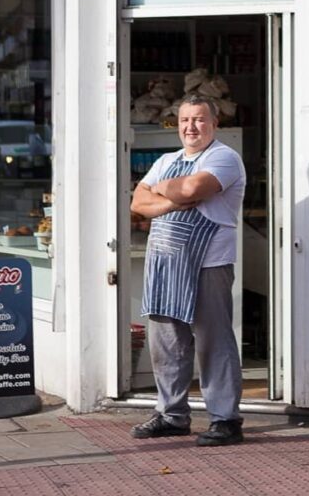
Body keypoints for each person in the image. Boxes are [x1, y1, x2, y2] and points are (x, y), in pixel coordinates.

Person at [130, 93, 246, 446]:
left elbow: (195, 187)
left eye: (198, 119)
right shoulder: (167, 159)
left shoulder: (224, 157)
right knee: (167, 343)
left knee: (214, 341)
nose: (191, 127)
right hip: (164, 262)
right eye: (184, 120)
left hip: (208, 262)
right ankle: (172, 415)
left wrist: (161, 190)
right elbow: (138, 202)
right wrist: (174, 199)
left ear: (214, 124)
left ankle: (225, 419)